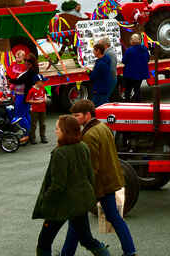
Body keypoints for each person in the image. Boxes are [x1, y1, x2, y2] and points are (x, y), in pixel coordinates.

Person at [67, 100, 137, 256]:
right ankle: (130, 251)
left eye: (77, 115)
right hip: (110, 181)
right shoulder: (103, 127)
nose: (74, 119)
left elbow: (91, 167)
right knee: (114, 218)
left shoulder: (89, 135)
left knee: (76, 221)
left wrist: (81, 188)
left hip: (100, 185)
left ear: (88, 115)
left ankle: (67, 253)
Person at [33, 114, 110, 256]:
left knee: (44, 242)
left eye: (57, 128)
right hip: (80, 202)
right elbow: (90, 175)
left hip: (61, 205)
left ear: (65, 131)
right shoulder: (83, 147)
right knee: (87, 239)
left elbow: (58, 185)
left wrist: (46, 201)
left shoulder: (60, 153)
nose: (55, 131)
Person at [7, 50, 39, 143]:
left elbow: (20, 80)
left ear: (30, 63)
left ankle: (28, 134)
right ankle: (30, 134)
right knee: (26, 115)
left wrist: (11, 81)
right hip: (23, 95)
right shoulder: (29, 71)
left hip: (23, 96)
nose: (24, 62)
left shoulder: (30, 72)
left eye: (25, 61)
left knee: (19, 115)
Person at [121, 34, 149, 102]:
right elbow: (147, 59)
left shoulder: (129, 50)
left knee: (128, 90)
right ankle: (138, 102)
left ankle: (128, 103)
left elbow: (124, 61)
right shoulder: (144, 49)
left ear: (131, 41)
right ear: (140, 41)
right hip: (141, 74)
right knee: (137, 89)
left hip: (130, 74)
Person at [88, 43, 113, 108]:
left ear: (98, 51)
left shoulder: (100, 64)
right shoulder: (107, 59)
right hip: (105, 87)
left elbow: (93, 77)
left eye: (94, 50)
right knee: (104, 105)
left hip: (99, 89)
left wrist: (89, 72)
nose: (93, 52)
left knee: (96, 107)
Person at [26, 75, 49, 144]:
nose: (43, 83)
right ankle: (32, 138)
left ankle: (43, 136)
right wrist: (36, 102)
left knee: (43, 124)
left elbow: (45, 94)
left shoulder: (42, 88)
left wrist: (45, 98)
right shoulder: (32, 90)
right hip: (34, 110)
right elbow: (27, 100)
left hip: (42, 108)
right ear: (37, 82)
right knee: (34, 124)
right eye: (42, 81)